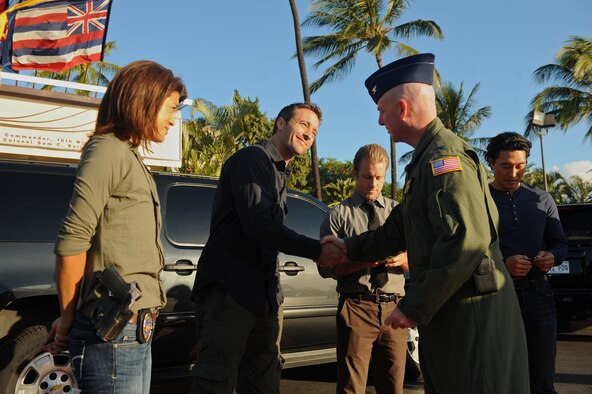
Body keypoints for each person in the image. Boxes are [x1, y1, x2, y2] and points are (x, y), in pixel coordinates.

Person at [324, 53, 531, 393]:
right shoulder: (425, 161)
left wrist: (413, 306)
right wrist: (347, 246)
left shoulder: (443, 159)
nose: (380, 121)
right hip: (451, 315)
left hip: (470, 318)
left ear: (402, 108)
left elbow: (467, 240)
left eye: (381, 110)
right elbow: (399, 229)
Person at [42, 60, 187, 393]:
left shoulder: (127, 154)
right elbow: (73, 240)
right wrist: (66, 318)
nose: (172, 118)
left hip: (132, 329)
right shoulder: (107, 150)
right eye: (171, 108)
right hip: (113, 332)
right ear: (144, 100)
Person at [190, 102, 345, 394]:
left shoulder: (280, 174)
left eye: (314, 130)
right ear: (280, 123)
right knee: (216, 381)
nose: (309, 133)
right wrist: (316, 250)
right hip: (231, 292)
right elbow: (258, 226)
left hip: (265, 297)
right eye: (303, 124)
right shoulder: (252, 160)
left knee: (264, 382)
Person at [319, 144, 408, 394]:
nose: (373, 183)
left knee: (393, 386)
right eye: (367, 176)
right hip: (357, 307)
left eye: (379, 177)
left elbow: (422, 261)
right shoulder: (338, 215)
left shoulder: (397, 212)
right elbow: (327, 269)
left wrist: (402, 260)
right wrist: (365, 260)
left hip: (394, 309)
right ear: (355, 174)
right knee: (351, 387)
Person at [486, 132, 568, 394]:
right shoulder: (479, 201)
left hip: (540, 296)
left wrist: (552, 256)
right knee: (501, 378)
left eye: (520, 166)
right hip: (497, 296)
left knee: (542, 380)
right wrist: (502, 263)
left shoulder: (543, 199)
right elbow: (468, 251)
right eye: (506, 166)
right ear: (490, 162)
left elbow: (560, 243)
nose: (514, 173)